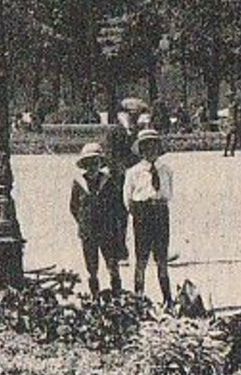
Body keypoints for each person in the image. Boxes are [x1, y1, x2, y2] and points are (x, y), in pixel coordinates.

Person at [124, 129, 174, 306]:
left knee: (161, 258)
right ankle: (139, 297)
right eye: (146, 147)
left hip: (160, 213)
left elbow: (169, 193)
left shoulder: (166, 170)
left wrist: (159, 206)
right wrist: (140, 213)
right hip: (142, 213)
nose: (150, 151)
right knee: (141, 258)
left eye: (154, 146)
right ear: (141, 150)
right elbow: (128, 199)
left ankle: (168, 298)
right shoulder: (133, 172)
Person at [69, 143, 127, 295]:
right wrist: (84, 222)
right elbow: (74, 207)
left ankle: (117, 295)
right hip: (88, 233)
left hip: (107, 231)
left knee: (112, 266)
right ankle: (95, 297)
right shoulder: (79, 184)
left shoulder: (108, 182)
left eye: (95, 162)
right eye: (88, 163)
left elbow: (118, 207)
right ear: (84, 165)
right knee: (91, 268)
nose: (92, 167)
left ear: (100, 164)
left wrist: (116, 230)